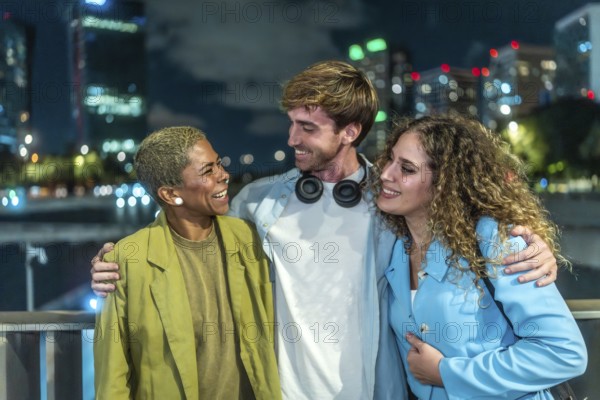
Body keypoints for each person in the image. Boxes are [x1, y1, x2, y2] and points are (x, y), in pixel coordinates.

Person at [91, 61, 559, 400]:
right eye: (291, 124)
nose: (291, 139)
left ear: (350, 132)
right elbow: (188, 218)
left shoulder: (395, 205)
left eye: (306, 128)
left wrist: (535, 248)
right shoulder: (259, 203)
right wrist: (121, 257)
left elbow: (466, 220)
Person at [372, 115, 587, 399]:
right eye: (390, 159)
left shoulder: (493, 239)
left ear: (444, 185)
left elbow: (563, 351)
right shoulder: (395, 248)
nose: (386, 173)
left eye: (407, 169)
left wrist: (446, 373)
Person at [93, 126, 281, 400]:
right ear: (170, 195)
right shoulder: (126, 260)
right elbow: (112, 379)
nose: (224, 175)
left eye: (219, 164)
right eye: (208, 171)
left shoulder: (249, 238)